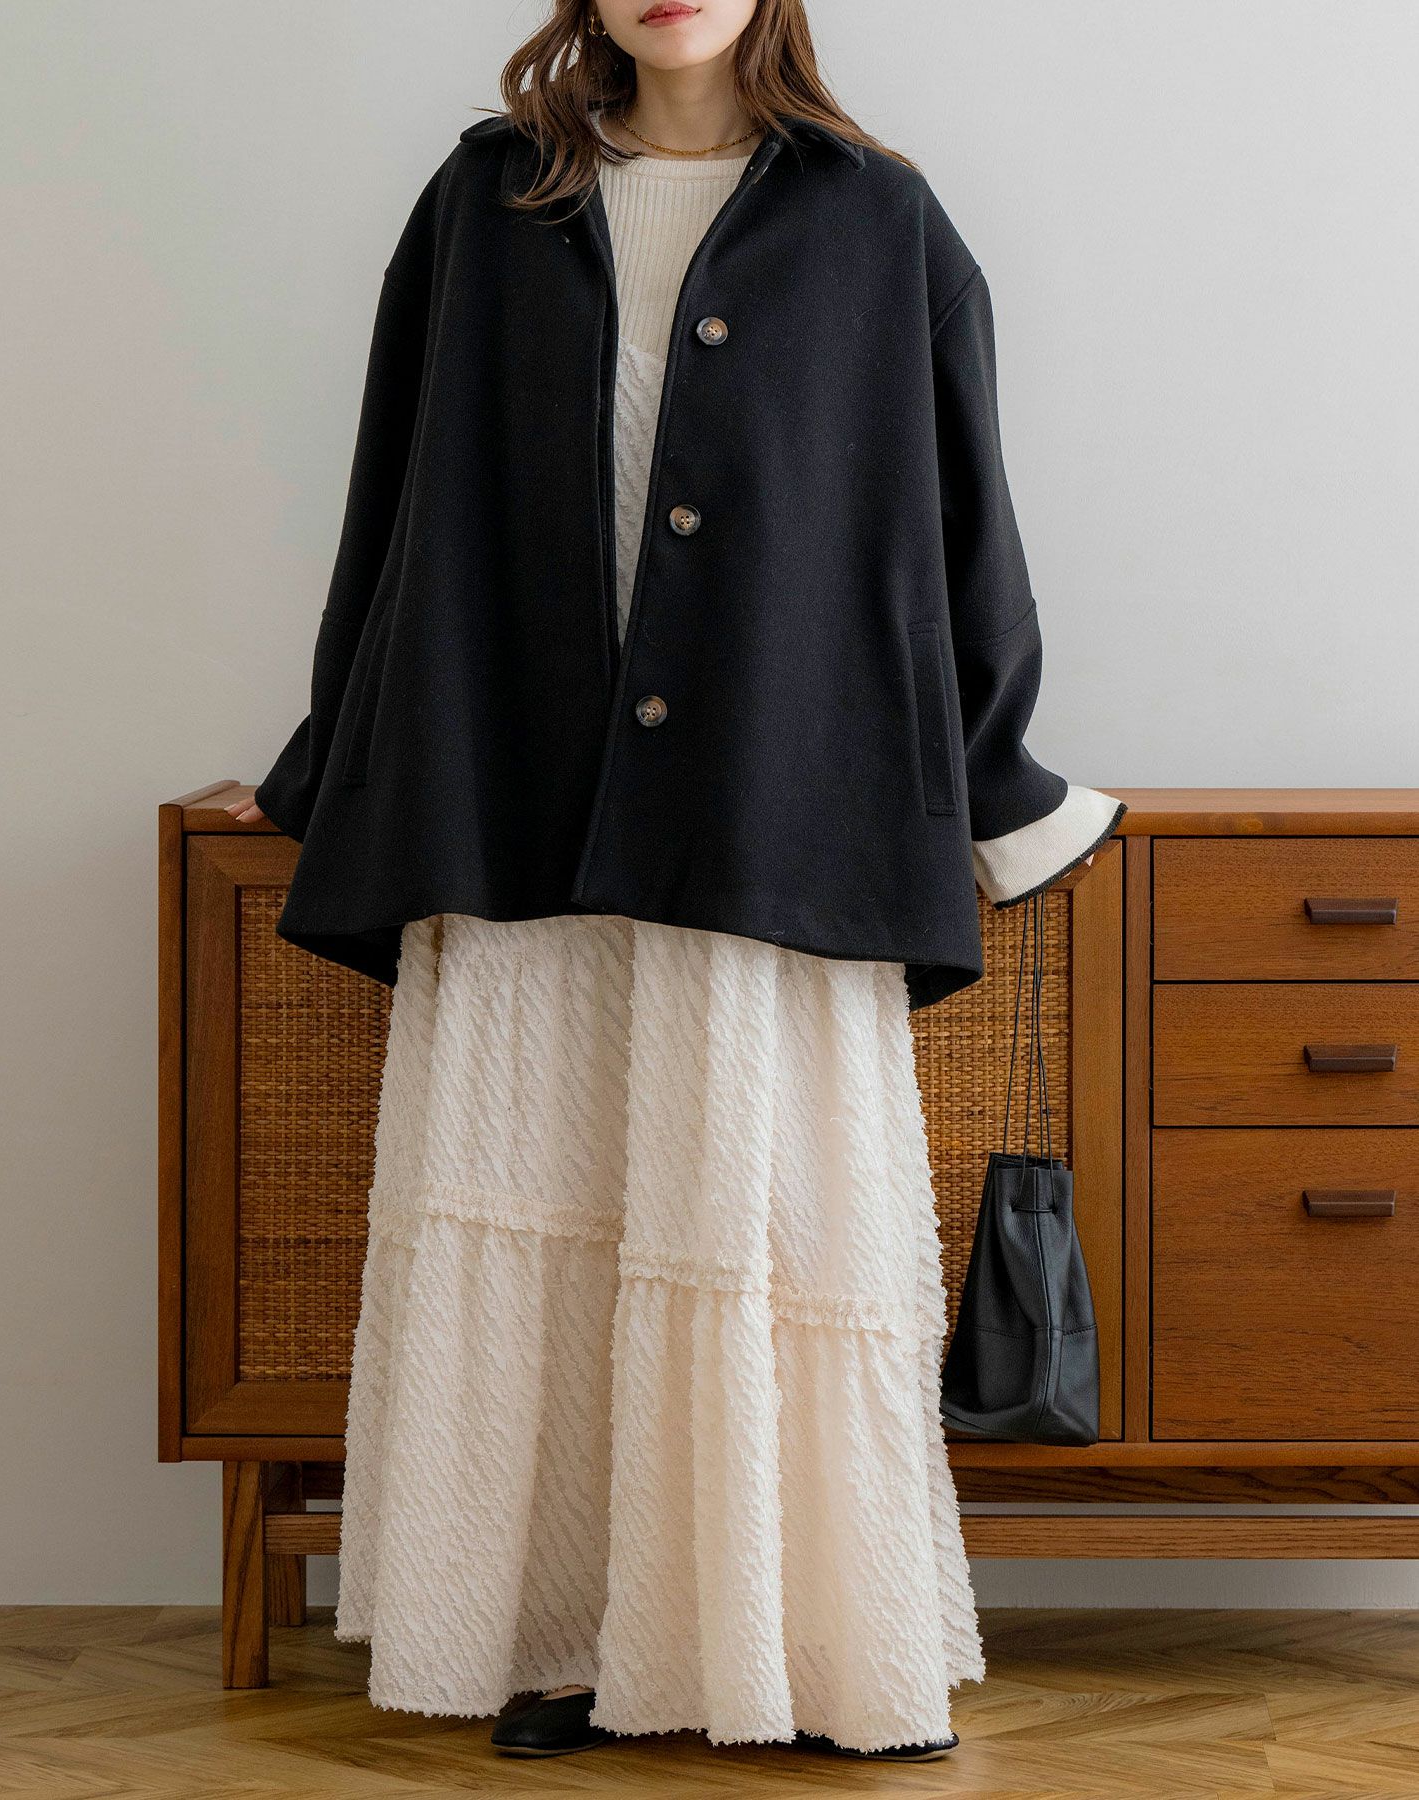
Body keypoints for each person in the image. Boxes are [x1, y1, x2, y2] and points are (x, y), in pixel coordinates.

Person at [228, 0, 1126, 1764]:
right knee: (549, 1208)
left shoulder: (877, 218)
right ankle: (564, 1641)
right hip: (524, 806)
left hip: (771, 809)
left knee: (757, 1223)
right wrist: (353, 758)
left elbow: (967, 523)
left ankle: (806, 1650)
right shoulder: (489, 201)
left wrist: (996, 779)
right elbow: (391, 502)